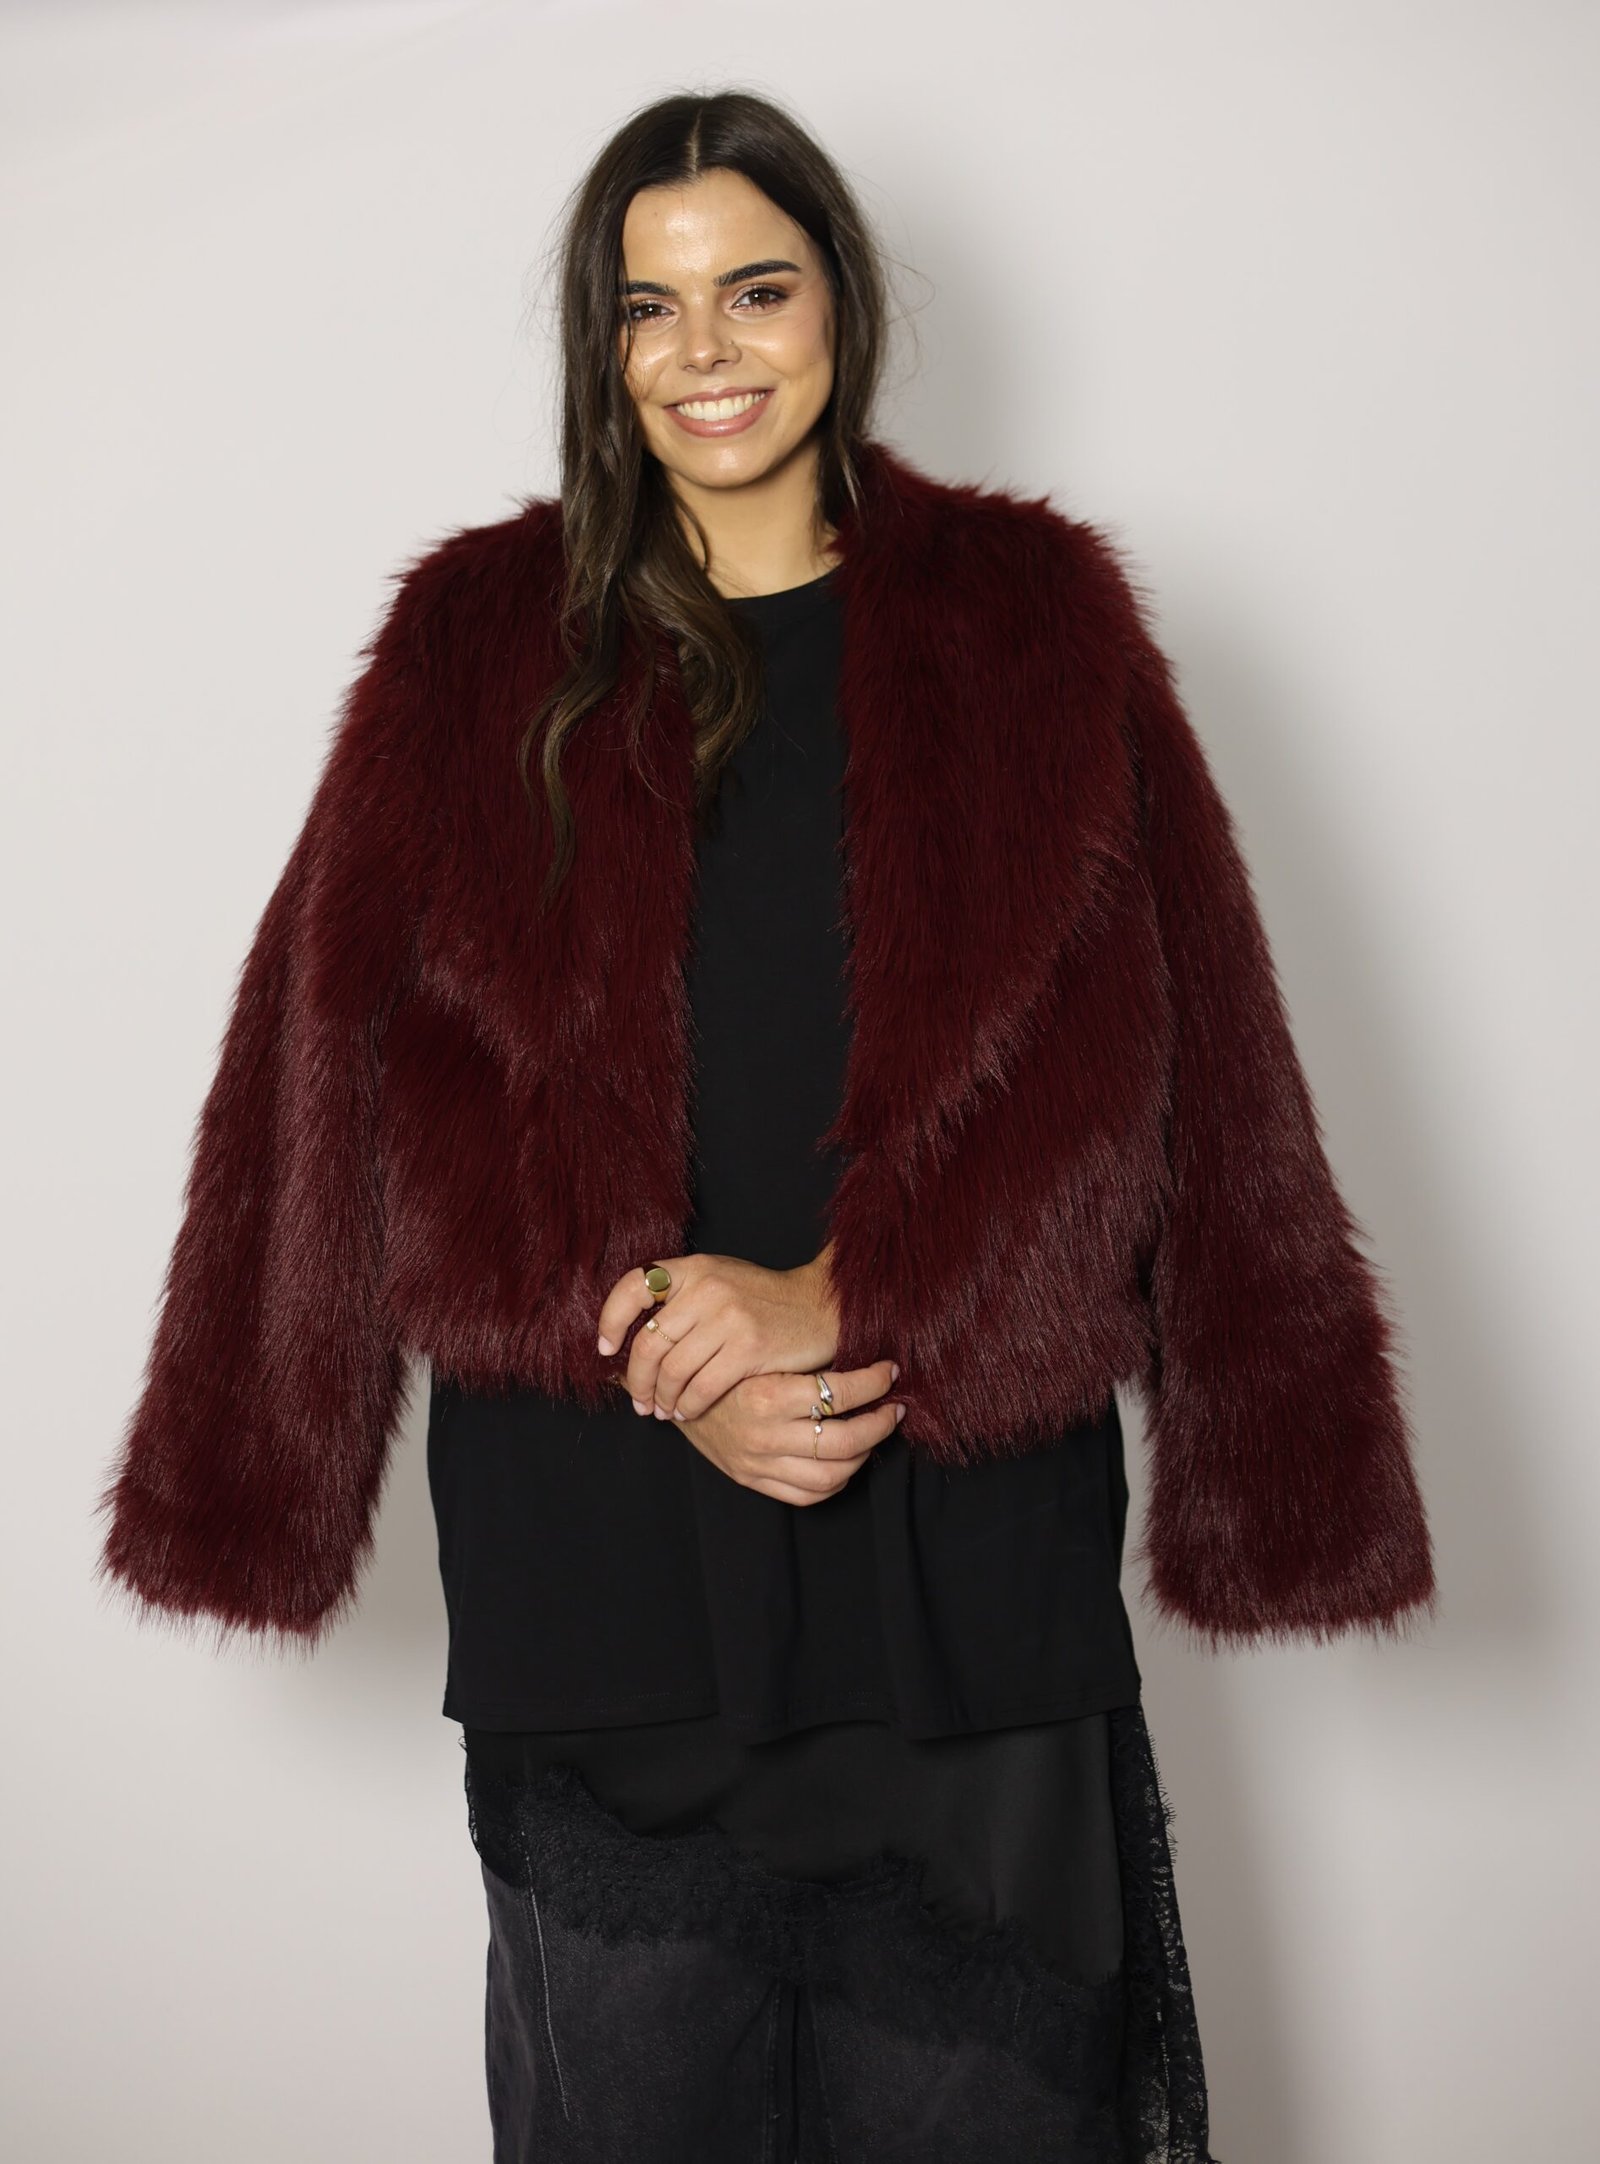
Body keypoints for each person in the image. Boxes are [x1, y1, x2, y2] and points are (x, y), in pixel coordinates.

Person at [95, 88, 1437, 2164]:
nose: (704, 351)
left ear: (842, 311)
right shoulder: (476, 647)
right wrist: (660, 1341)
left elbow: (1172, 1068)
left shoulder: (1034, 625)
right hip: (602, 1572)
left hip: (962, 1566)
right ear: (599, 345)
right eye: (649, 307)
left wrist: (843, 1299)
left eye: (757, 289)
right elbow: (328, 1069)